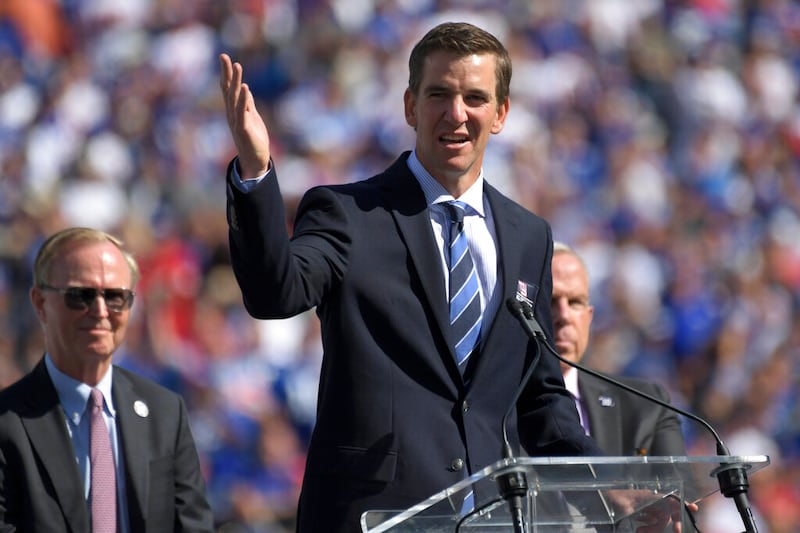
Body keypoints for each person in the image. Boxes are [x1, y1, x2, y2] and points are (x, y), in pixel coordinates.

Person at [219, 21, 605, 533]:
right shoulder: (349, 214)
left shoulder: (529, 236)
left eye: (475, 98)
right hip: (375, 516)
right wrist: (256, 171)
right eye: (439, 94)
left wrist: (608, 485)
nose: (456, 113)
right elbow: (274, 293)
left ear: (501, 114)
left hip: (490, 519)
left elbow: (541, 398)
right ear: (410, 106)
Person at [0, 227, 214, 532]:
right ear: (40, 303)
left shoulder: (165, 413)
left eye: (115, 296)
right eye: (80, 296)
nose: (100, 310)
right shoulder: (8, 424)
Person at [551, 241, 687, 456]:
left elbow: (676, 479)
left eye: (575, 302)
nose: (564, 315)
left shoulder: (648, 407)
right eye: (550, 301)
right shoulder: (498, 408)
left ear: (589, 316)